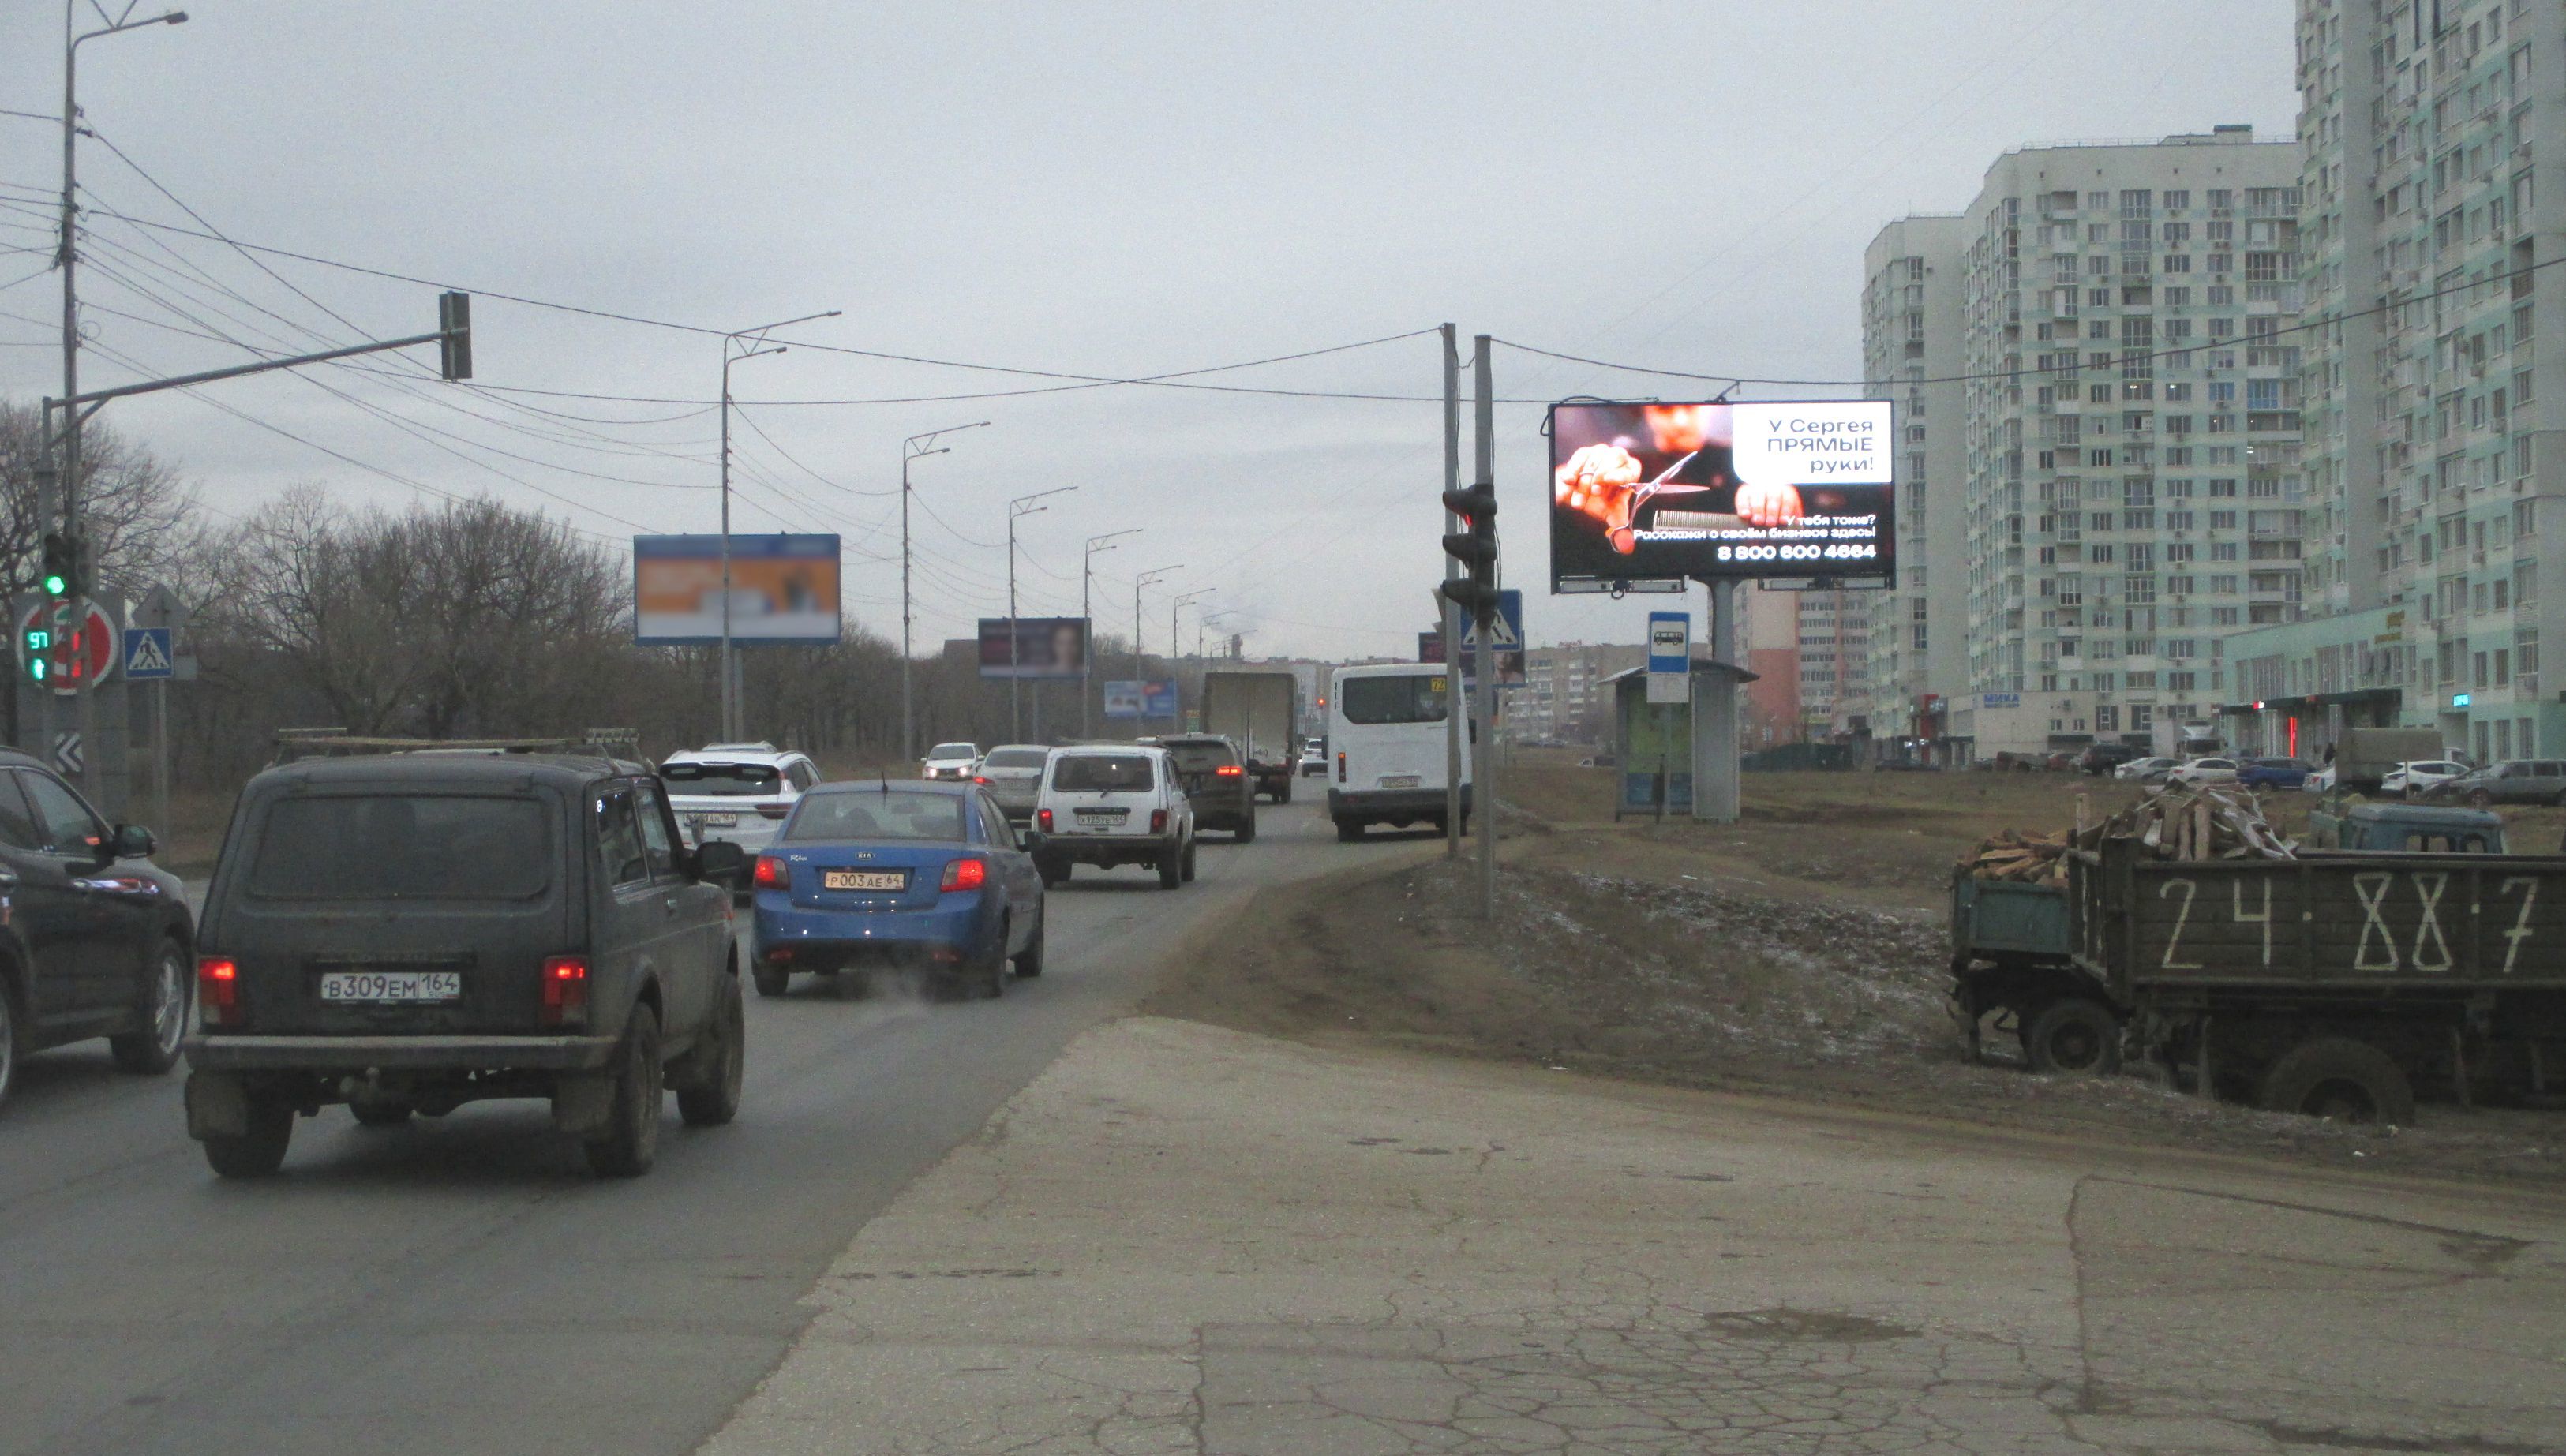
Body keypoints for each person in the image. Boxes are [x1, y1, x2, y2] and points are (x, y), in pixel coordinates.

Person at [1553, 402, 1804, 556]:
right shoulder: (1621, 470)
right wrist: (1565, 485)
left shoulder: (1747, 463)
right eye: (1665, 410)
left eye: (1690, 409)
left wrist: (1782, 501)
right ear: (1647, 414)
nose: (1681, 422)